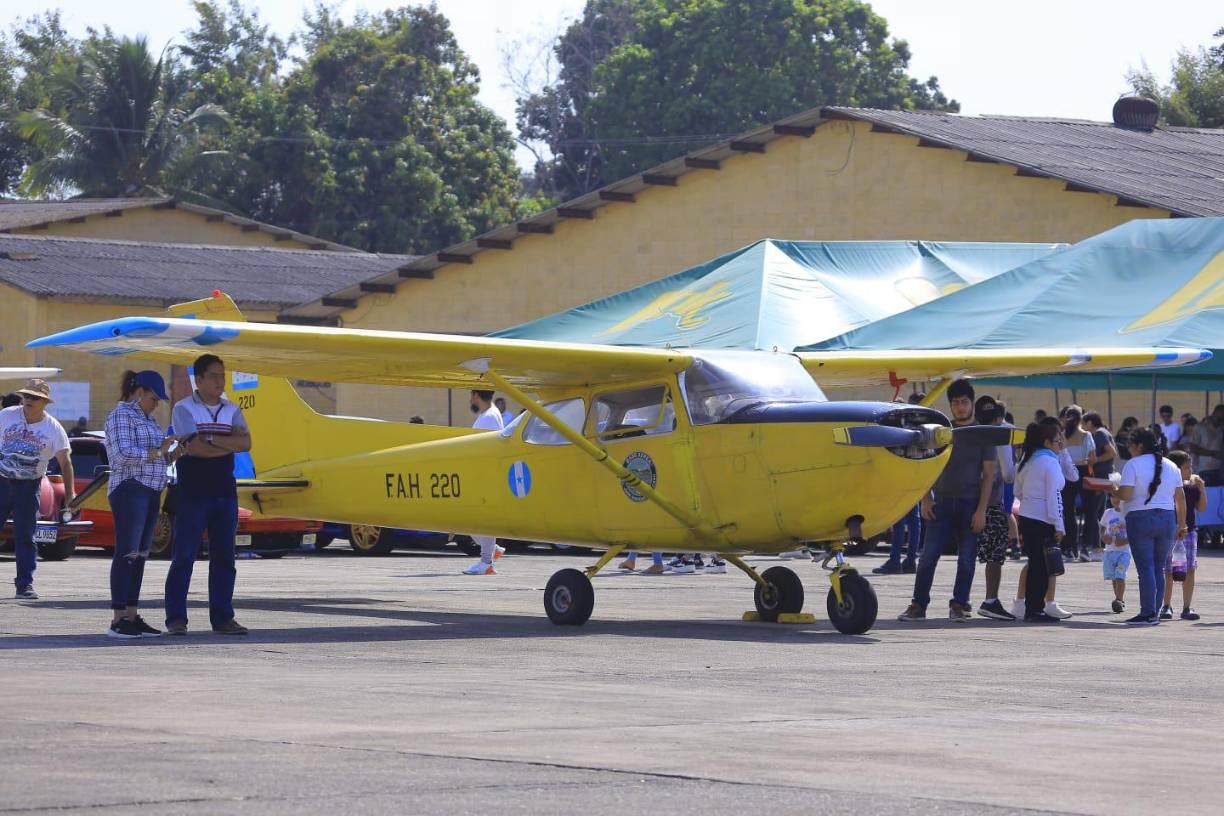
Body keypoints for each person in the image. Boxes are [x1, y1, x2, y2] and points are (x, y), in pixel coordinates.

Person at [164, 354, 251, 635]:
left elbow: (246, 442)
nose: (219, 381)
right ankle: (176, 618)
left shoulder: (231, 409)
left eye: (222, 376)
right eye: (213, 376)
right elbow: (195, 447)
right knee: (185, 556)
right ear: (198, 379)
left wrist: (210, 439)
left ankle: (223, 617)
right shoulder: (183, 408)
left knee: (225, 557)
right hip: (194, 492)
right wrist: (225, 443)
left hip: (225, 492)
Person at [898, 379, 997, 623]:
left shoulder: (983, 435)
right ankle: (918, 605)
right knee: (928, 556)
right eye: (955, 402)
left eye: (964, 402)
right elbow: (925, 465)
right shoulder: (941, 432)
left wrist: (982, 510)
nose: (960, 407)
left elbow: (989, 476)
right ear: (950, 406)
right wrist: (925, 499)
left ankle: (959, 604)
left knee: (966, 559)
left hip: (970, 505)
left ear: (972, 403)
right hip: (940, 504)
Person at [103, 371, 176, 639]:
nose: (156, 404)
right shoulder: (121, 415)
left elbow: (154, 458)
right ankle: (118, 618)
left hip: (150, 491)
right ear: (140, 393)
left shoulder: (149, 419)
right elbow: (122, 455)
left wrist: (171, 453)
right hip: (130, 490)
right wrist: (157, 452)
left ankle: (131, 615)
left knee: (140, 555)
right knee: (127, 553)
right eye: (153, 398)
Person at [0, 379, 74, 599]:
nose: (28, 401)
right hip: (1, 481)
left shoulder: (53, 428)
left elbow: (65, 462)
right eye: (26, 396)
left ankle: (24, 585)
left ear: (44, 402)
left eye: (34, 398)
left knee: (26, 536)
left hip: (29, 485)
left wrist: (70, 494)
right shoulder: (6, 415)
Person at [1110, 427, 1185, 626]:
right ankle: (1156, 612)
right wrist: (1182, 524)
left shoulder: (1133, 464)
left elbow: (1126, 494)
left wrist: (1113, 490)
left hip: (1140, 518)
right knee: (1158, 568)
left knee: (1146, 568)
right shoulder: (1172, 466)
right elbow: (1181, 499)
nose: (1129, 449)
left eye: (1130, 445)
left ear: (1139, 446)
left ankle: (1147, 612)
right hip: (1168, 518)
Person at [1013, 421, 1066, 623]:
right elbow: (1054, 495)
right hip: (1043, 518)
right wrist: (1058, 524)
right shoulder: (1050, 462)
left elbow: (1017, 490)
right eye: (1057, 439)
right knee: (1042, 567)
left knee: (1035, 563)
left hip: (1027, 516)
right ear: (1046, 442)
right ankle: (1035, 609)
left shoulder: (1027, 460)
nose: (1060, 442)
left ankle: (1032, 607)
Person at [972, 396, 1014, 620]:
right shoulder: (1003, 434)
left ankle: (960, 602)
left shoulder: (969, 433)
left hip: (967, 499)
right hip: (992, 502)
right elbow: (1008, 473)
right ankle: (990, 600)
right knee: (995, 555)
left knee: (967, 554)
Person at [463, 389, 506, 575]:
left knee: (480, 519)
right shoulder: (489, 414)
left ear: (475, 396)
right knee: (469, 520)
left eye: (471, 395)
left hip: (485, 475)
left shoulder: (489, 417)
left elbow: (482, 449)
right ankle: (492, 551)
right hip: (484, 474)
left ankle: (486, 561)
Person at [1161, 451, 1204, 621]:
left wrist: (1202, 488)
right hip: (1169, 532)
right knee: (1169, 570)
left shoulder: (1192, 487)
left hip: (1189, 531)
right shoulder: (1167, 486)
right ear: (1175, 469)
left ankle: (1187, 607)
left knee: (1190, 569)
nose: (1190, 470)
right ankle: (1166, 605)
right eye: (1187, 467)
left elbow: (1201, 508)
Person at [1059, 406, 1096, 562]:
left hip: (1066, 474)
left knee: (1068, 511)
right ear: (1081, 419)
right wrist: (1082, 461)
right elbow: (1092, 458)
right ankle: (1086, 548)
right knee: (1090, 511)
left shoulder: (1061, 436)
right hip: (1084, 473)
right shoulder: (1086, 435)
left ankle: (1069, 548)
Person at [1082, 412, 1117, 559]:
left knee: (1093, 512)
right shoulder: (1102, 433)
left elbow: (1111, 452)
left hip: (1100, 479)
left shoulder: (1099, 434)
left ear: (1090, 422)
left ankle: (1096, 547)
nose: (1082, 427)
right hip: (1101, 478)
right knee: (1099, 513)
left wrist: (1095, 461)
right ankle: (1099, 546)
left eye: (1084, 423)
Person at [1100, 492, 1130, 614]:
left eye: (1118, 496)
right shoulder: (1108, 513)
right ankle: (1117, 598)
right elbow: (1102, 527)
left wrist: (1125, 541)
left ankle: (1119, 599)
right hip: (1109, 551)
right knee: (1113, 577)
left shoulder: (1127, 514)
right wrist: (1103, 537)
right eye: (1112, 496)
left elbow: (1134, 531)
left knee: (1120, 575)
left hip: (1124, 552)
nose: (1115, 499)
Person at [1186, 404, 1224, 486]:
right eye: (1219, 418)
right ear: (1214, 414)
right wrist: (1212, 453)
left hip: (1221, 469)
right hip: (1205, 469)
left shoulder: (1222, 428)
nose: (1220, 420)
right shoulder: (1200, 427)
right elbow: (1192, 447)